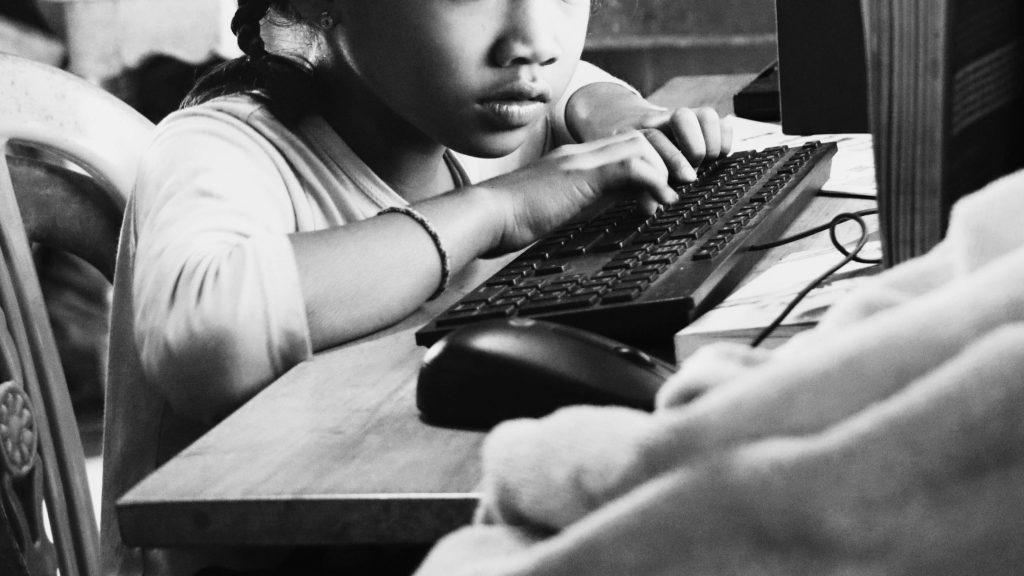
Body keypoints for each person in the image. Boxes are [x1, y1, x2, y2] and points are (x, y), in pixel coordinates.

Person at [100, 1, 732, 575]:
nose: (535, 44)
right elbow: (208, 334)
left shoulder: (461, 108)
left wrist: (617, 114)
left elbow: (577, 81)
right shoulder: (217, 146)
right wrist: (497, 210)